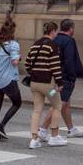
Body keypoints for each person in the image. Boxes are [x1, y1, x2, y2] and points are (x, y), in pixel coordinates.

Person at [24, 20, 68, 149]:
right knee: (57, 105)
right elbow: (55, 67)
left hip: (34, 84)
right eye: (56, 32)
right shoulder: (52, 46)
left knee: (37, 109)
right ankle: (54, 136)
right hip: (48, 85)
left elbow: (27, 64)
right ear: (53, 31)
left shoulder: (35, 45)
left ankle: (34, 139)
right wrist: (60, 83)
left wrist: (35, 72)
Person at [40, 18, 83, 141]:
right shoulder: (69, 41)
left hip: (53, 76)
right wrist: (72, 76)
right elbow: (69, 60)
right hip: (64, 78)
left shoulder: (54, 39)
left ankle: (71, 129)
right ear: (71, 29)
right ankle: (43, 129)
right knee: (58, 104)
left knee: (65, 103)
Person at [0, 19, 23, 140]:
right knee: (17, 103)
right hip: (7, 79)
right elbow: (15, 62)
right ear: (12, 32)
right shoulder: (13, 45)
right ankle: (1, 126)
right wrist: (19, 57)